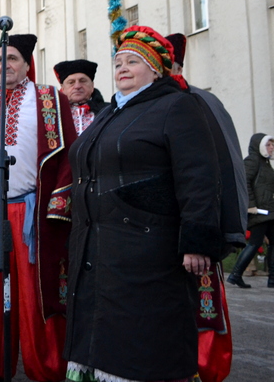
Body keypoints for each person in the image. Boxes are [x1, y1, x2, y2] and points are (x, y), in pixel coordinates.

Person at [64, 26, 224, 382]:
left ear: (156, 69)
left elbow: (198, 176)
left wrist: (197, 241)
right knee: (100, 335)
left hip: (148, 250)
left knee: (142, 343)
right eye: (118, 61)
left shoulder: (177, 105)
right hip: (98, 245)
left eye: (133, 61)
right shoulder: (109, 113)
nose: (122, 67)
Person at [0, 35, 77, 382]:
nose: (6, 65)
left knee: (37, 292)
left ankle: (45, 368)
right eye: (0, 59)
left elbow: (70, 155)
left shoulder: (51, 99)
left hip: (33, 213)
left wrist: (58, 206)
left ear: (26, 64)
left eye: (14, 58)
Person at [165, 33, 244, 382]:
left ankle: (203, 368)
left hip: (196, 224)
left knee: (202, 302)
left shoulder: (200, 102)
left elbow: (222, 168)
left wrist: (214, 231)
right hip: (155, 231)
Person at [226, 133, 274, 289]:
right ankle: (235, 274)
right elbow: (244, 182)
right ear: (259, 145)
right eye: (268, 144)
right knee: (254, 243)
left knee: (268, 242)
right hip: (258, 211)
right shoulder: (252, 161)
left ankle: (272, 278)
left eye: (272, 144)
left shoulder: (265, 163)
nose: (272, 147)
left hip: (268, 210)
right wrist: (250, 205)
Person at [52, 59, 109, 135]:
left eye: (82, 81)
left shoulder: (109, 111)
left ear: (92, 85)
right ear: (63, 88)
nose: (77, 86)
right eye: (71, 82)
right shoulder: (53, 114)